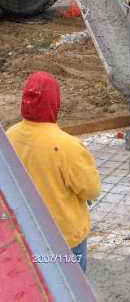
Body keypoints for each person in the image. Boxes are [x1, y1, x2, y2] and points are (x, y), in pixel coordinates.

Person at [7, 72, 101, 272]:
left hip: (26, 232)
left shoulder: (10, 136)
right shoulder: (67, 145)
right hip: (64, 237)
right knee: (70, 288)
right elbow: (91, 191)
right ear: (54, 103)